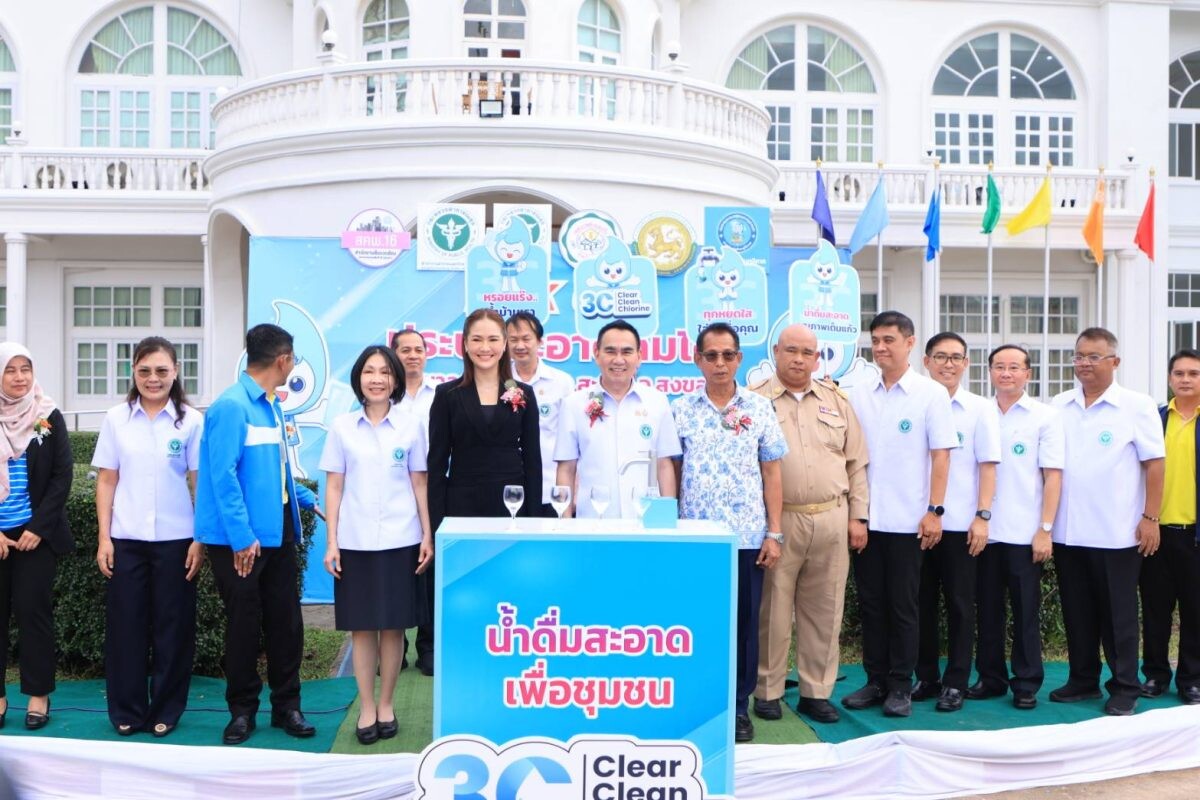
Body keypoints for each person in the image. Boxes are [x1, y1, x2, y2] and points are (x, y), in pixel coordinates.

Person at [195, 323, 320, 745]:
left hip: (278, 530)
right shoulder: (231, 406)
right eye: (293, 359)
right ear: (282, 360)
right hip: (240, 539)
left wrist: (303, 497)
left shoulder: (272, 405)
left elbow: (275, 468)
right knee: (244, 625)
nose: (293, 365)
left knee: (286, 623)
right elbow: (222, 476)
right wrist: (242, 536)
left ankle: (288, 706)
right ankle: (242, 712)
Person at [673, 322, 786, 743]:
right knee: (699, 622)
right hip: (696, 540)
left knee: (742, 625)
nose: (719, 363)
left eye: (728, 355)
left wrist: (774, 534)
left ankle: (739, 707)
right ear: (697, 359)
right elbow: (674, 470)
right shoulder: (681, 408)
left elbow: (772, 471)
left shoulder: (758, 409)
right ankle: (699, 701)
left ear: (739, 359)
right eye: (711, 355)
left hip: (745, 537)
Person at [752, 323, 868, 726]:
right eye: (791, 351)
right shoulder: (754, 402)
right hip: (780, 520)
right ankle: (767, 690)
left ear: (817, 358)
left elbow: (857, 463)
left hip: (833, 517)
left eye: (807, 352)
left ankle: (815, 692)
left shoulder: (836, 402)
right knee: (774, 610)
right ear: (776, 352)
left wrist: (858, 516)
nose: (799, 359)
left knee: (825, 609)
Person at [844, 311, 957, 717]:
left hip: (910, 522)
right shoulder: (858, 392)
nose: (880, 347)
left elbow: (941, 456)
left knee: (904, 606)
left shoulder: (930, 394)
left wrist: (934, 511)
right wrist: (855, 514)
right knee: (871, 604)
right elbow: (851, 457)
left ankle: (900, 685)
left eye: (889, 339)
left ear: (910, 343)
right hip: (867, 520)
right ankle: (875, 680)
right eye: (875, 340)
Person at [321, 345, 433, 745]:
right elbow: (334, 486)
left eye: (385, 372)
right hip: (355, 540)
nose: (377, 379)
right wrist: (331, 541)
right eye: (369, 371)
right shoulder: (342, 427)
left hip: (402, 538)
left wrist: (427, 533)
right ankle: (366, 706)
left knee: (394, 627)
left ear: (395, 380)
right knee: (363, 628)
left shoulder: (411, 425)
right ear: (358, 379)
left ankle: (387, 704)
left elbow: (420, 482)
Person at [93, 337, 204, 737]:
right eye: (144, 371)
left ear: (176, 371)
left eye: (161, 370)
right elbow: (107, 480)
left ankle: (167, 709)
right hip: (127, 540)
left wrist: (200, 539)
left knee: (173, 628)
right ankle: (127, 709)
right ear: (133, 373)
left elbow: (198, 482)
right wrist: (104, 539)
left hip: (177, 541)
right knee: (126, 628)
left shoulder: (191, 421)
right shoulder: (116, 419)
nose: (153, 379)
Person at [1050, 327, 1163, 716]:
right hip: (1068, 530)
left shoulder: (1137, 405)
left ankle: (1124, 686)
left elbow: (1154, 464)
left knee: (1118, 615)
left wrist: (1151, 517)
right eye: (1079, 355)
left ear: (1115, 361)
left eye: (1094, 356)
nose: (1084, 363)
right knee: (1077, 610)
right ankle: (1082, 679)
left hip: (1117, 531)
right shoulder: (1059, 404)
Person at [913, 332, 1001, 712]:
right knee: (920, 604)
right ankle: (927, 676)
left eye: (955, 358)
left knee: (961, 606)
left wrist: (982, 517)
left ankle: (956, 681)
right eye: (940, 357)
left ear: (966, 364)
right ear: (926, 362)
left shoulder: (980, 408)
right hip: (916, 525)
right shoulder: (913, 403)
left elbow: (988, 467)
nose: (948, 364)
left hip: (960, 525)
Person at [972, 344, 1063, 709]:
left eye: (1014, 367)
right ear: (989, 371)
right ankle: (990, 677)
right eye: (999, 367)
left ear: (1028, 373)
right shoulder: (979, 412)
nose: (1006, 373)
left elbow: (1053, 476)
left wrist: (1045, 528)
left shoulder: (1044, 416)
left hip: (1026, 533)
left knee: (1026, 611)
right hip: (985, 533)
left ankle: (1025, 683)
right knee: (988, 609)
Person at [0, 343, 73, 731]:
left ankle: (38, 695)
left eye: (25, 368)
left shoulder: (47, 414)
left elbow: (63, 475)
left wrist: (38, 529)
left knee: (34, 614)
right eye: (10, 369)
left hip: (35, 536)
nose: (19, 377)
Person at [427, 309, 542, 535]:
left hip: (512, 505)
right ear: (466, 344)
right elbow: (437, 466)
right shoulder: (447, 394)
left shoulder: (523, 392)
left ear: (505, 343)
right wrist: (436, 525)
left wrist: (533, 518)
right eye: (477, 339)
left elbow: (533, 462)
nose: (485, 348)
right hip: (461, 508)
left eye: (493, 339)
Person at [555, 320, 680, 518]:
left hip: (646, 520)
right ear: (597, 354)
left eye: (627, 352)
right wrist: (565, 521)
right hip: (592, 522)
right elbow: (566, 469)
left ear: (639, 356)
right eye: (610, 351)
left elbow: (664, 465)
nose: (618, 360)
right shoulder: (574, 404)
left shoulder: (657, 401)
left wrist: (667, 521)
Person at [1139, 349, 1200, 705]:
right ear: (1169, 378)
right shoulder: (1155, 418)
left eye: (1193, 373)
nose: (1186, 379)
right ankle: (1156, 674)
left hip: (1194, 534)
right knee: (1155, 609)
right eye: (1179, 373)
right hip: (1156, 532)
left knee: (1195, 611)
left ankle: (1191, 679)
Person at [392, 328, 437, 676]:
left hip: (432, 487)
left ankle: (428, 646)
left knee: (430, 568)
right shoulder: (380, 394)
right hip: (391, 491)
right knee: (396, 568)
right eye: (404, 350)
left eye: (418, 349)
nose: (412, 355)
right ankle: (395, 647)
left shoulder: (442, 394)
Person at [506, 312, 575, 515]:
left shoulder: (561, 382)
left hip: (551, 488)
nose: (520, 346)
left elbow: (572, 440)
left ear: (539, 342)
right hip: (509, 489)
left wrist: (573, 489)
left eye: (526, 339)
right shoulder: (498, 381)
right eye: (513, 340)